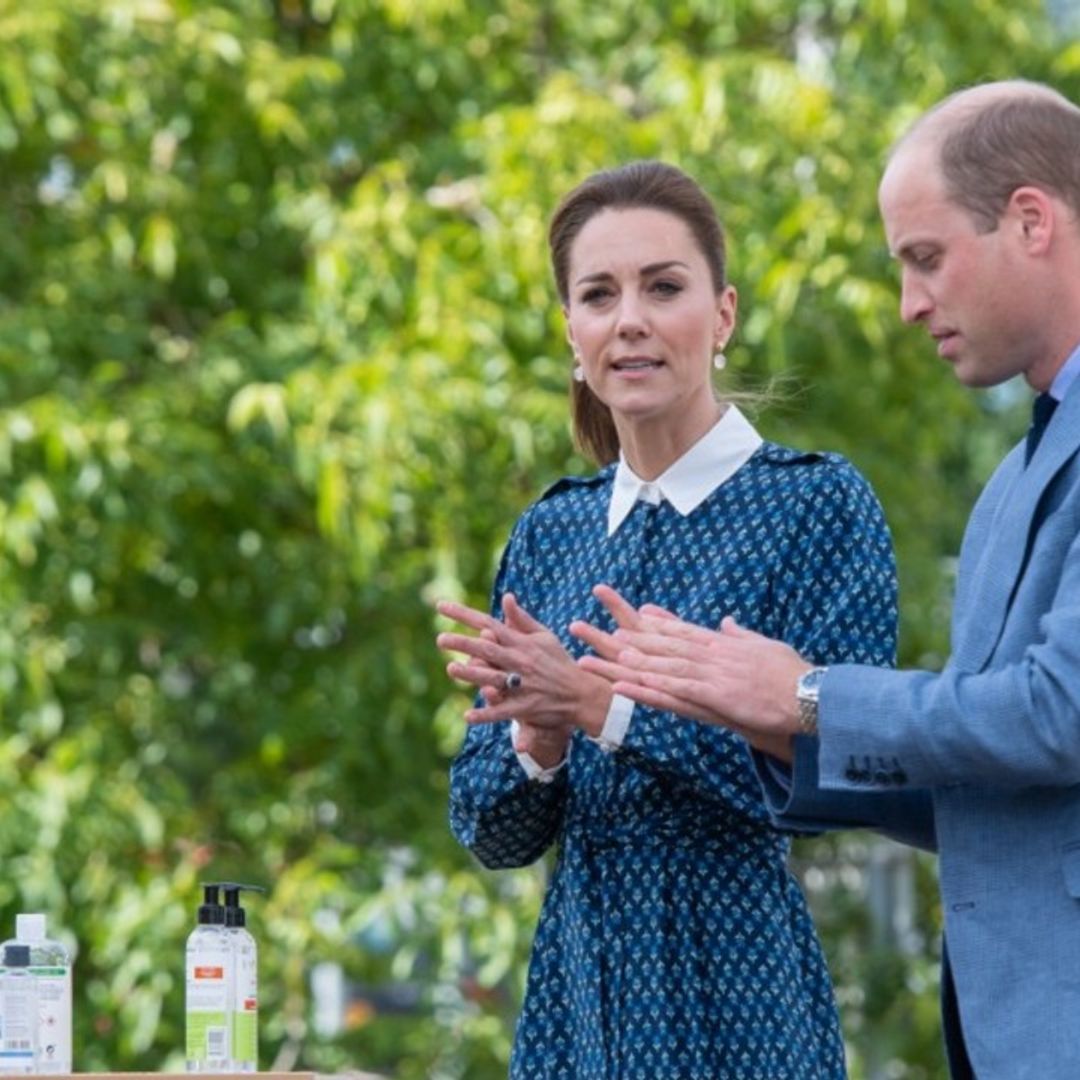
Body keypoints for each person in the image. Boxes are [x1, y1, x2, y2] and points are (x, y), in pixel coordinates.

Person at [578, 82, 1080, 1080]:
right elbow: (984, 783)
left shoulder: (823, 501)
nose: (909, 305)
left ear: (1031, 220)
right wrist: (757, 714)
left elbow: (1056, 715)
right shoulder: (1011, 483)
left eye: (925, 259)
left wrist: (807, 693)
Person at [435, 160, 897, 1079]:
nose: (630, 319)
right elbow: (492, 833)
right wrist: (541, 738)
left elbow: (856, 774)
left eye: (664, 287)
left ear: (722, 315)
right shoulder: (551, 530)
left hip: (742, 995)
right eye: (599, 295)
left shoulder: (818, 506)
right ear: (572, 331)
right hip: (577, 1009)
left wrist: (609, 712)